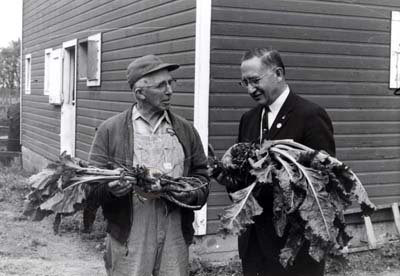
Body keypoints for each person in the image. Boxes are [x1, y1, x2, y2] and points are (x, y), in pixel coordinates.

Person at [88, 54, 209, 276]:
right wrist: (111, 189)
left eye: (171, 83)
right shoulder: (110, 130)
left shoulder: (186, 130)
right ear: (140, 93)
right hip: (130, 236)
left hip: (174, 232)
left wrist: (176, 190)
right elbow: (90, 189)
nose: (170, 90)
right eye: (161, 85)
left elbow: (202, 180)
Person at [229, 48, 336, 276]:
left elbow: (323, 183)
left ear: (278, 73)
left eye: (255, 81)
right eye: (244, 83)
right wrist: (225, 174)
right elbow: (241, 183)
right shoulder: (248, 119)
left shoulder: (310, 115)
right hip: (254, 246)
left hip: (294, 249)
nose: (250, 89)